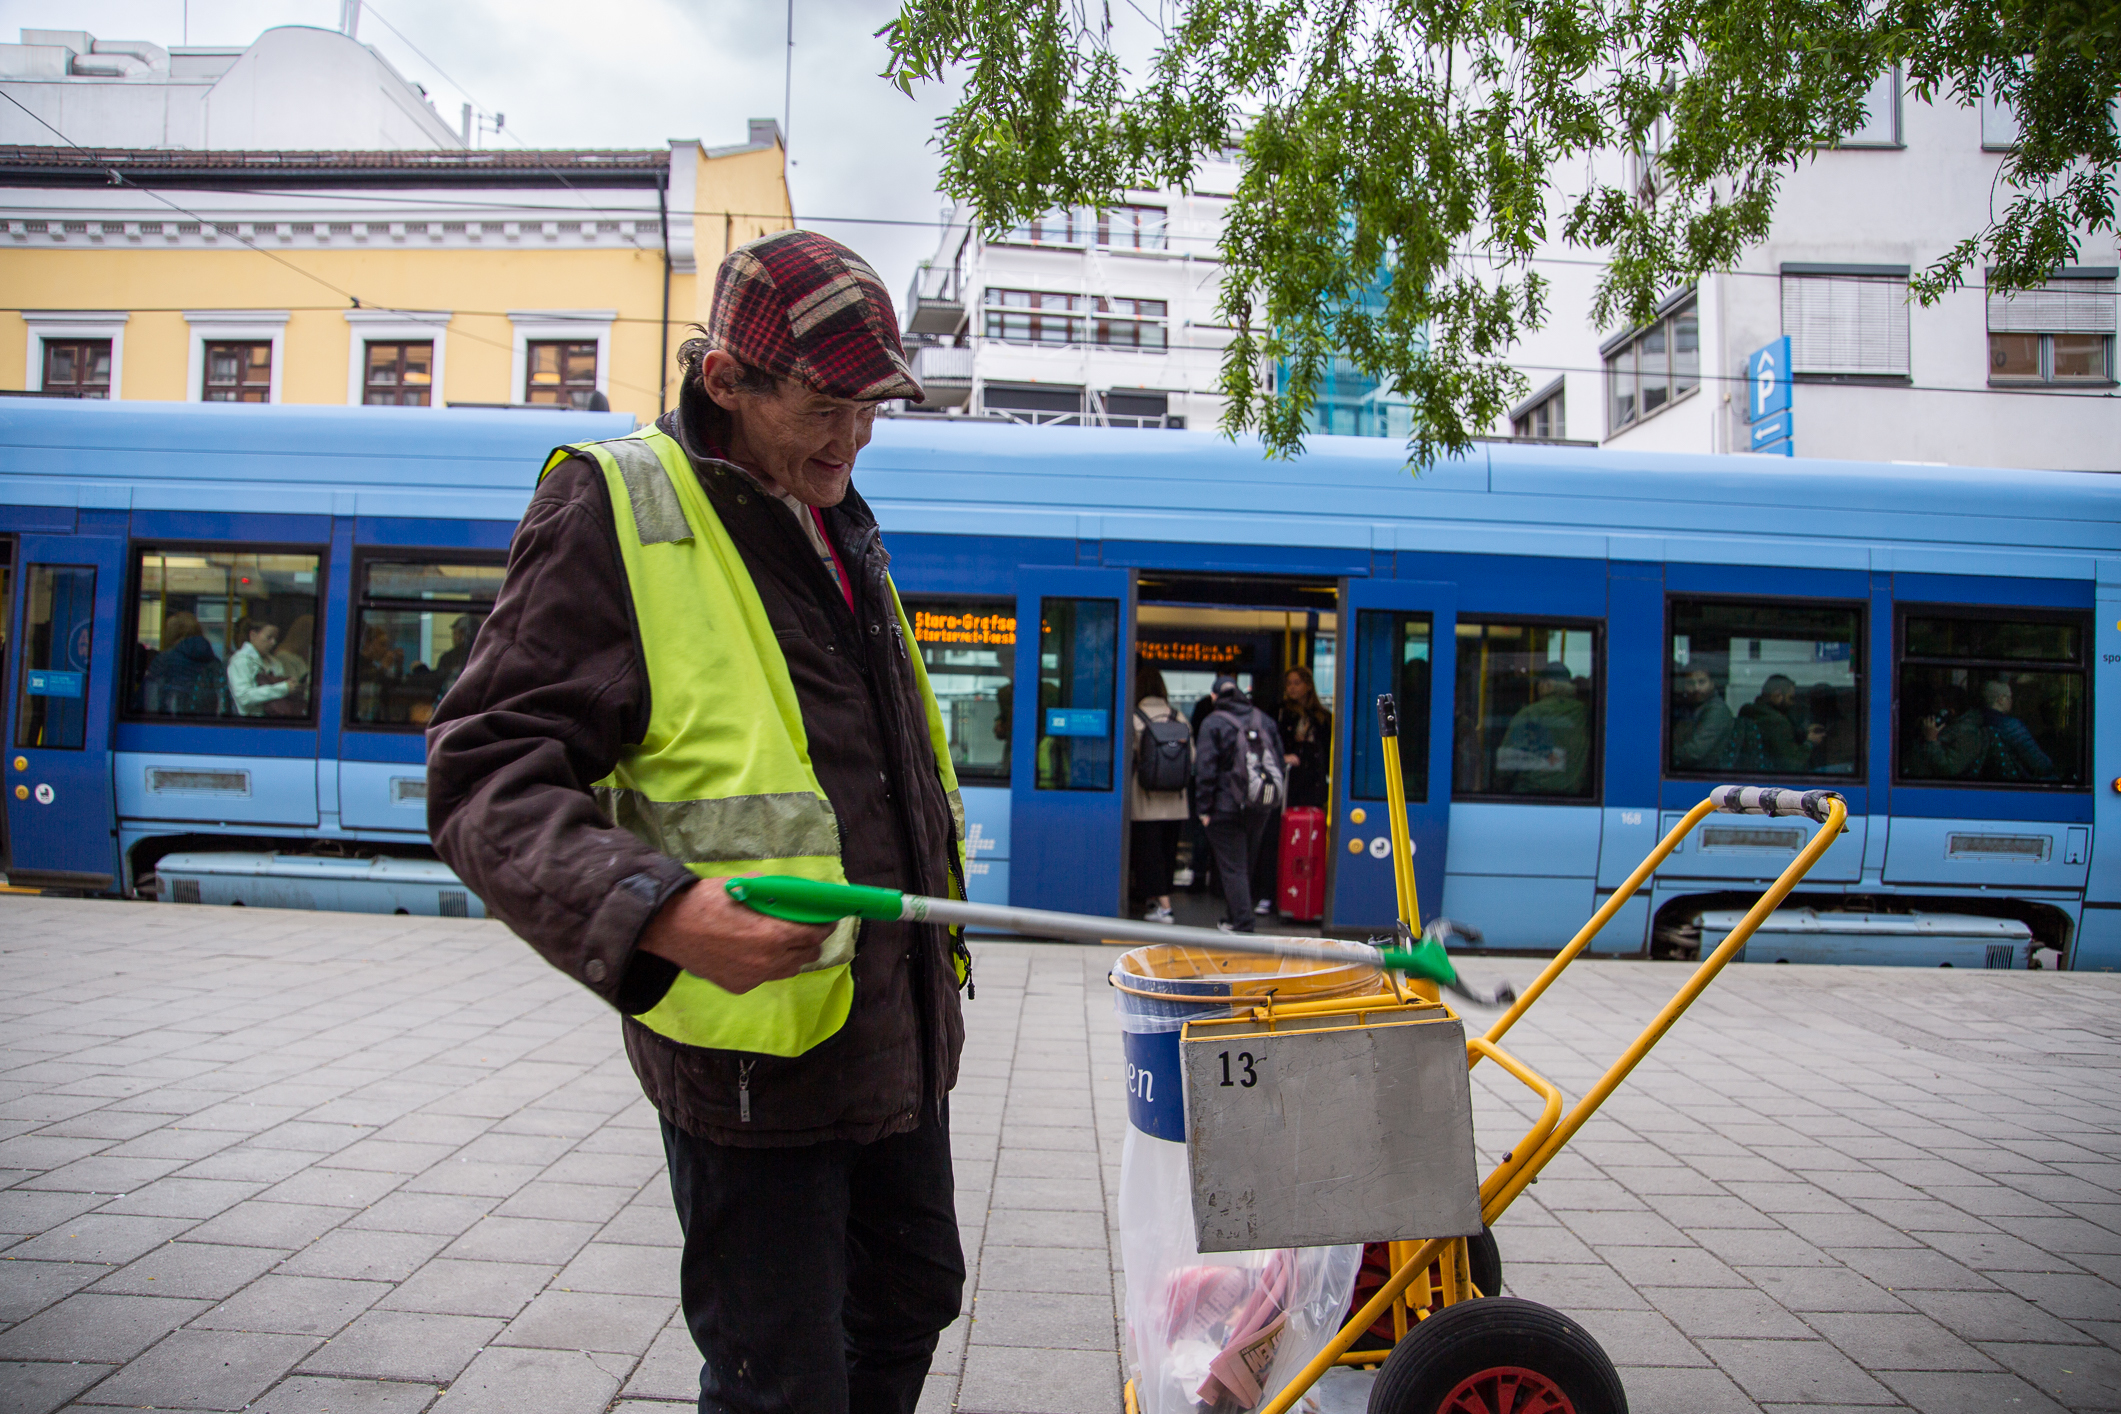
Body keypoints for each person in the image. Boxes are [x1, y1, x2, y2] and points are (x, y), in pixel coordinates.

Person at [427, 230, 966, 1414]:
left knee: (912, 1295)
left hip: (893, 1037)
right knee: (781, 1377)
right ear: (725, 380)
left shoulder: (830, 510)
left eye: (874, 404)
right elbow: (483, 775)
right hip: (750, 1064)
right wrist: (660, 912)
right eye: (828, 403)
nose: (856, 433)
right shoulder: (613, 504)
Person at [1193, 674, 1286, 933]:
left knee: (1233, 867)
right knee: (1245, 863)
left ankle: (1243, 924)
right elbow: (1278, 761)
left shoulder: (1213, 723)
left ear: (1214, 697)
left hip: (1224, 806)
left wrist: (1203, 810)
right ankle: (1234, 919)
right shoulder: (1263, 720)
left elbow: (1205, 769)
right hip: (1260, 804)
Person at [1128, 667, 1191, 924]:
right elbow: (1192, 758)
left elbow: (1131, 757)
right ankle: (1158, 900)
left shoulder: (1135, 718)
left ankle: (1164, 907)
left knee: (1148, 851)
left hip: (1145, 798)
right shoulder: (1180, 717)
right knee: (1166, 852)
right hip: (1176, 800)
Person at [1911, 679, 2057, 781]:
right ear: (2000, 699)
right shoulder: (2010, 726)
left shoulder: (1971, 727)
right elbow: (2041, 764)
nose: (2012, 701)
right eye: (2009, 697)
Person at [1495, 661, 1589, 795]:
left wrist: (1500, 788)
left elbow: (1507, 763)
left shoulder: (1530, 714)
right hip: (1573, 795)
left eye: (1539, 683)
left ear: (1547, 685)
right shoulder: (1584, 713)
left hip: (1530, 795)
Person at [1740, 673, 1825, 773]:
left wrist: (1804, 733)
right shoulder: (1777, 723)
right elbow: (1793, 765)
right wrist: (1810, 743)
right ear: (1777, 695)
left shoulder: (1750, 713)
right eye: (1790, 698)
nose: (1792, 703)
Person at [141, 611, 222, 716]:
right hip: (207, 725)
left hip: (169, 724)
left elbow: (149, 699)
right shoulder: (214, 662)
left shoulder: (164, 660)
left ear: (171, 634)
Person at [1277, 666, 1332, 809]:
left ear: (1308, 686)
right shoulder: (1280, 712)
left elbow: (1327, 748)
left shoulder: (1322, 716)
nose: (1292, 688)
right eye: (1288, 684)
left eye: (1297, 683)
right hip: (1291, 775)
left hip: (1315, 777)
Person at [225, 616, 295, 717]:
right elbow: (244, 697)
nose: (273, 642)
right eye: (269, 637)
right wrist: (283, 688)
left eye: (275, 638)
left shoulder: (275, 662)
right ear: (253, 635)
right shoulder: (240, 661)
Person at [1669, 667, 1734, 770]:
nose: (1696, 688)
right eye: (1690, 683)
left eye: (1702, 682)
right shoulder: (1691, 708)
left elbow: (1694, 752)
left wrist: (1665, 750)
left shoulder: (1717, 711)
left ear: (1712, 683)